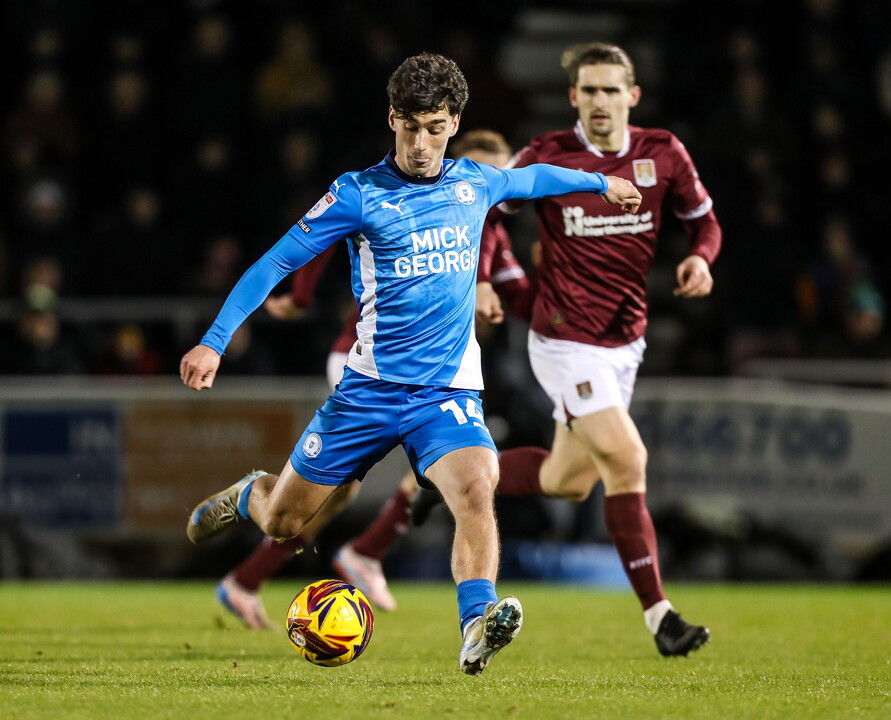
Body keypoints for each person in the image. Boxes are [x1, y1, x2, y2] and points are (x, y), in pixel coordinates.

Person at [179, 52, 642, 676]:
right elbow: (275, 264)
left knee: (478, 488)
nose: (421, 144)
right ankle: (248, 495)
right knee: (287, 523)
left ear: (454, 124)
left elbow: (534, 180)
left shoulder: (476, 181)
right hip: (366, 391)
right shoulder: (357, 193)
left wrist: (599, 183)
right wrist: (214, 339)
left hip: (444, 392)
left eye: (435, 128)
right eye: (411, 127)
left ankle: (476, 623)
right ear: (392, 118)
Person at [420, 42, 721, 658]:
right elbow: (481, 211)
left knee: (567, 479)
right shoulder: (551, 155)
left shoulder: (662, 152)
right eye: (589, 91)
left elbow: (705, 221)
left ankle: (461, 474)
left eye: (612, 90)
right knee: (628, 459)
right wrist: (479, 277)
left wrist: (700, 257)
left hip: (625, 341)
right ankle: (661, 618)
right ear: (573, 97)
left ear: (632, 96)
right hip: (562, 339)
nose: (601, 101)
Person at [215, 129, 531, 624]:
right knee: (317, 501)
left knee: (463, 480)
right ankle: (343, 545)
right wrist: (299, 298)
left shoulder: (489, 227)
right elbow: (312, 241)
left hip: (438, 381)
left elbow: (521, 292)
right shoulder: (385, 195)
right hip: (363, 364)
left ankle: (465, 610)